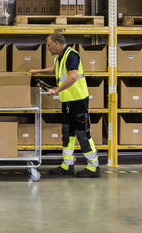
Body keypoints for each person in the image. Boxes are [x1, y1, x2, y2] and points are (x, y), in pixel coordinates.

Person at [31, 32, 100, 178]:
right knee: (67, 134)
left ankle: (94, 166)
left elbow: (73, 76)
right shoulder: (59, 58)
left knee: (83, 133)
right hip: (67, 101)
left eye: (49, 45)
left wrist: (56, 90)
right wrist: (37, 71)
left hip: (78, 101)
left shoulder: (71, 55)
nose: (48, 48)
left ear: (57, 43)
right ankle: (67, 165)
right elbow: (54, 69)